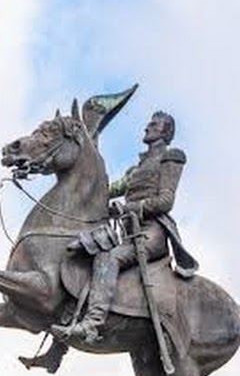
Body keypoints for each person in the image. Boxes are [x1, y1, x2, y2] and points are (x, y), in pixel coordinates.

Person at [51, 110, 197, 345]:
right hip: (128, 233)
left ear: (166, 132)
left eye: (154, 124)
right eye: (149, 123)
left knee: (109, 258)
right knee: (82, 253)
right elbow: (107, 191)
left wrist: (128, 208)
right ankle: (58, 347)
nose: (147, 127)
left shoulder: (171, 157)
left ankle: (92, 324)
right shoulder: (135, 170)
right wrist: (78, 183)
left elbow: (165, 201)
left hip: (152, 233)